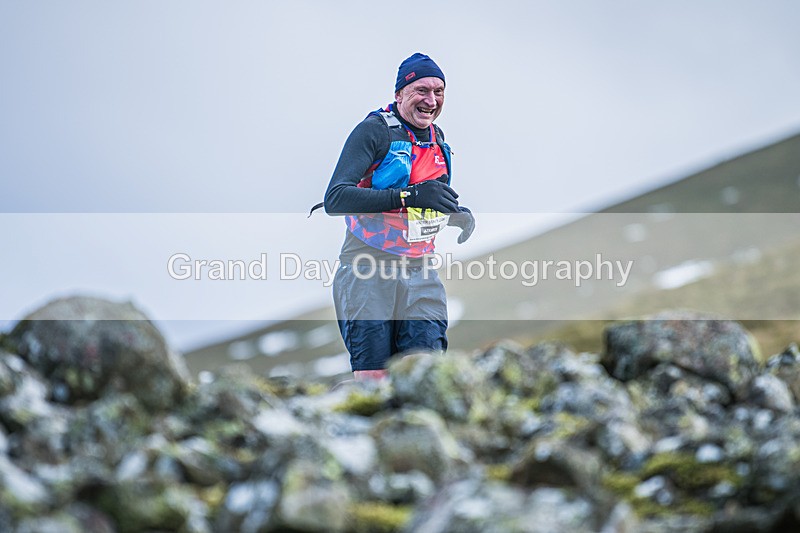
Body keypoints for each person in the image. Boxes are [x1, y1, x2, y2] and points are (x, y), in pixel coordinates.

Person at [322, 52, 475, 381]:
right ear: (399, 94)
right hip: (366, 269)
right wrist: (409, 196)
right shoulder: (373, 131)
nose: (431, 100)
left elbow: (427, 201)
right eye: (421, 90)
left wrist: (455, 214)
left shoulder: (437, 138)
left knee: (426, 374)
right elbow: (335, 199)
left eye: (439, 91)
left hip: (420, 272)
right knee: (375, 380)